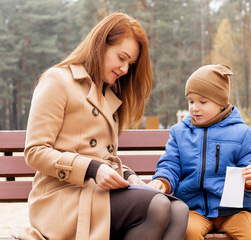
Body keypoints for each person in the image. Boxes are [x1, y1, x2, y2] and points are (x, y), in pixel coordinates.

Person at [13, 12, 189, 240]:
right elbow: (35, 152)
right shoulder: (57, 80)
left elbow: (103, 157)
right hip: (61, 198)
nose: (125, 69)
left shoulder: (109, 94)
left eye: (130, 64)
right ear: (100, 44)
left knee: (179, 210)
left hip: (98, 194)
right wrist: (91, 169)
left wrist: (129, 175)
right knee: (158, 206)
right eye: (121, 58)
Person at [148, 64, 251, 240]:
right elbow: (170, 164)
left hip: (236, 211)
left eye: (202, 102)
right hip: (194, 209)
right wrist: (162, 181)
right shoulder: (179, 132)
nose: (194, 107)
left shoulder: (241, 133)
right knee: (186, 232)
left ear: (221, 103)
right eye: (191, 101)